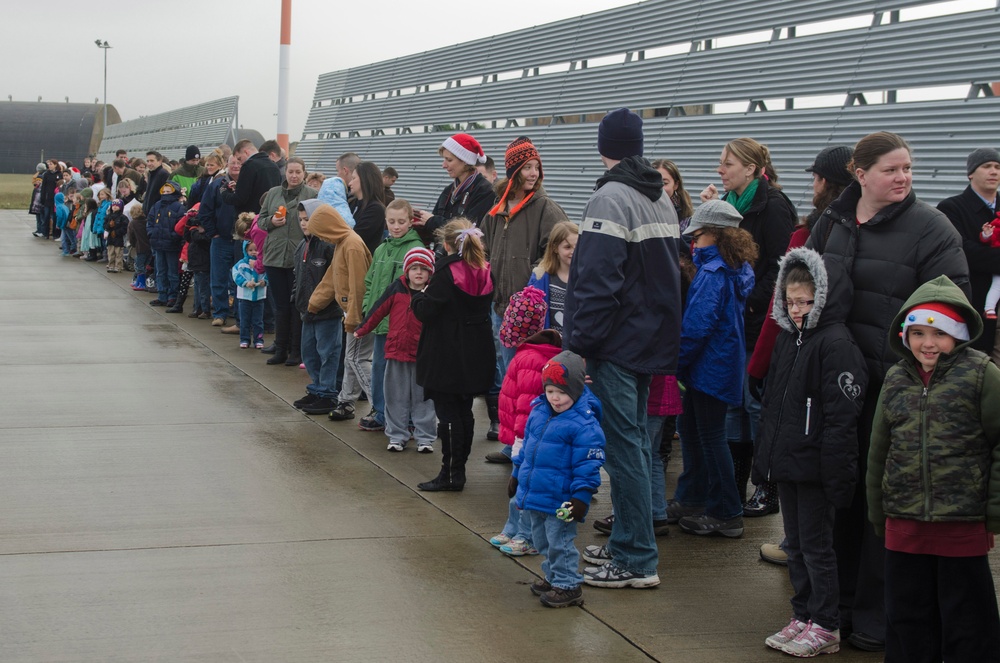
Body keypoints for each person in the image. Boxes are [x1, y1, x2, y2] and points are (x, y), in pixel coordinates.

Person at [807, 131, 970, 652]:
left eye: (907, 168)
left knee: (882, 503)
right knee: (837, 496)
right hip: (834, 388)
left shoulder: (932, 229)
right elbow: (798, 290)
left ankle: (878, 616)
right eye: (891, 169)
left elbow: (952, 311)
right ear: (860, 174)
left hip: (894, 390)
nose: (902, 178)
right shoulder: (829, 223)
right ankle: (835, 605)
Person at [565, 108, 682, 589]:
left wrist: (581, 344)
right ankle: (628, 542)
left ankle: (635, 557)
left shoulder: (610, 197)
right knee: (633, 442)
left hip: (617, 343)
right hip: (649, 340)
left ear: (603, 147)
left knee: (626, 446)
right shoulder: (659, 198)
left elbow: (596, 280)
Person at [867, 275, 1000, 663]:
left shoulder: (982, 375)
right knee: (907, 618)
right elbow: (879, 449)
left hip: (962, 523)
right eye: (920, 332)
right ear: (905, 335)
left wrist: (992, 511)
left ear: (958, 335)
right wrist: (878, 509)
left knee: (968, 621)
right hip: (903, 524)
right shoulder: (895, 378)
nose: (928, 343)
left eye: (940, 333)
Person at [754, 248, 867, 657]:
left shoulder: (836, 345)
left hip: (816, 468)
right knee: (796, 546)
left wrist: (837, 476)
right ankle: (803, 613)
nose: (797, 309)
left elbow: (841, 420)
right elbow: (773, 407)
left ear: (823, 298)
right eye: (790, 301)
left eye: (805, 301)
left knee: (818, 548)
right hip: (788, 464)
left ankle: (826, 623)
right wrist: (764, 463)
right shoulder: (788, 339)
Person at [749, 144, 856, 565]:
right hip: (846, 355)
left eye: (815, 178)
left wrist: (758, 367)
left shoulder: (812, 233)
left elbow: (780, 313)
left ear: (826, 182)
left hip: (809, 359)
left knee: (805, 456)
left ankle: (800, 546)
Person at [701, 137, 797, 517]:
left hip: (756, 321)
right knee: (733, 405)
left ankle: (767, 487)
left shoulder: (772, 206)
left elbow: (779, 266)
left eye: (727, 164)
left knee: (757, 404)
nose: (720, 169)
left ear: (752, 169)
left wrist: (748, 301)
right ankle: (737, 484)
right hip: (735, 321)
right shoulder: (730, 205)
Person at [664, 200, 756, 538]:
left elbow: (697, 327)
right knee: (692, 431)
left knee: (711, 437)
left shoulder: (714, 273)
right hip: (716, 366)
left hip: (709, 369)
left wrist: (674, 364)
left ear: (715, 235)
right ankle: (693, 497)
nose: (693, 243)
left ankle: (726, 511)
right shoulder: (733, 267)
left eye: (697, 236)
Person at [481, 137, 569, 441]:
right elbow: (484, 251)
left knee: (531, 383)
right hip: (500, 310)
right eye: (527, 167)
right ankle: (513, 443)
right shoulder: (497, 210)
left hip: (531, 316)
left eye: (536, 167)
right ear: (513, 171)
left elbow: (561, 253)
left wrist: (534, 281)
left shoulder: (547, 209)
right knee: (510, 382)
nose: (533, 173)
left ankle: (532, 442)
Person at [509, 350, 606, 608]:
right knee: (541, 540)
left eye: (562, 393)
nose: (555, 398)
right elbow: (528, 447)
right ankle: (553, 576)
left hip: (563, 499)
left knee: (560, 541)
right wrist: (517, 474)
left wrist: (581, 495)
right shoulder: (539, 411)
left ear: (575, 391)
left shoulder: (583, 424)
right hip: (538, 493)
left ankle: (567, 584)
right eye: (551, 391)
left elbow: (588, 463)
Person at [412, 219, 495, 491]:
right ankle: (457, 470)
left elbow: (427, 311)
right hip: (476, 351)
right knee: (464, 412)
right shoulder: (484, 271)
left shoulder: (446, 274)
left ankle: (449, 474)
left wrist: (418, 296)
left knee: (447, 414)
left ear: (447, 244)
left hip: (446, 352)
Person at [490, 285, 558, 554]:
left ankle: (527, 535)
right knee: (517, 485)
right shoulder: (527, 355)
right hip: (522, 436)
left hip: (527, 437)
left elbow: (526, 405)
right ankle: (513, 527)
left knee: (525, 487)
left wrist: (519, 439)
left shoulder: (530, 358)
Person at [354, 247, 438, 452]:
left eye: (424, 269)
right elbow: (378, 310)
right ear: (406, 271)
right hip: (396, 352)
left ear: (430, 273)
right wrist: (363, 329)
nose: (419, 272)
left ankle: (425, 438)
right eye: (414, 268)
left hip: (423, 355)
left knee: (424, 399)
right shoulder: (396, 289)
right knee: (395, 397)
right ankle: (396, 436)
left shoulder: (434, 293)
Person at [355, 198, 425, 432]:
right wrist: (368, 307)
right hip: (380, 323)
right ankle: (380, 411)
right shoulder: (381, 249)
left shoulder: (415, 250)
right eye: (392, 221)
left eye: (401, 222)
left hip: (403, 325)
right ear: (386, 221)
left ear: (411, 222)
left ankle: (409, 418)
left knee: (404, 373)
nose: (396, 226)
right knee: (379, 368)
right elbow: (370, 280)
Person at [938, 148, 1000, 359]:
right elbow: (963, 252)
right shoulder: (952, 208)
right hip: (973, 304)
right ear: (971, 173)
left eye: (998, 167)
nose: (993, 172)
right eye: (986, 166)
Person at [257, 157, 318, 367]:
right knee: (280, 304)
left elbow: (317, 223)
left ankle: (296, 350)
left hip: (298, 257)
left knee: (296, 305)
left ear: (304, 174)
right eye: (290, 172)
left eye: (298, 172)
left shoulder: (311, 195)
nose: (293, 176)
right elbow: (261, 220)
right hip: (274, 255)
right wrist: (272, 222)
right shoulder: (273, 193)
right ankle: (280, 348)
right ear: (286, 173)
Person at [290, 200, 343, 416]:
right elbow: (298, 276)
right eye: (301, 219)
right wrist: (297, 297)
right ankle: (317, 388)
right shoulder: (302, 246)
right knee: (309, 353)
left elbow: (336, 279)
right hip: (306, 310)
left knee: (328, 352)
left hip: (327, 311)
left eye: (308, 219)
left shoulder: (329, 245)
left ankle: (328, 393)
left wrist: (323, 302)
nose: (304, 224)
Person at [413, 133, 496, 242]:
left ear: (465, 161)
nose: (444, 165)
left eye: (449, 160)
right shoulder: (448, 191)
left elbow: (467, 232)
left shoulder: (485, 191)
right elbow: (433, 233)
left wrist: (432, 221)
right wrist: (416, 222)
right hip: (445, 255)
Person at [200, 155, 242, 326]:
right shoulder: (217, 185)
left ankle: (240, 315)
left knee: (242, 279)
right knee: (219, 279)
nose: (236, 166)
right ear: (227, 164)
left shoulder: (248, 186)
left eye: (239, 163)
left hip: (242, 241)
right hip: (221, 239)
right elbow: (204, 210)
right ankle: (220, 313)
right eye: (233, 163)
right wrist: (213, 232)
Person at [147, 181, 187, 307]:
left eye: (168, 192)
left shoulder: (178, 207)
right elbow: (150, 221)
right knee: (160, 271)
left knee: (172, 272)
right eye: (163, 192)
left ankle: (172, 295)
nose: (165, 194)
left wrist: (174, 237)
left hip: (172, 245)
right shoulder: (157, 205)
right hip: (158, 243)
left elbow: (181, 225)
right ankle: (162, 295)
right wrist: (152, 233)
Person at [221, 139, 281, 215]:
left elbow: (240, 199)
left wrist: (224, 192)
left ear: (246, 152)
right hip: (269, 217)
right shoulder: (274, 166)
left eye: (239, 159)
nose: (241, 163)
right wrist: (239, 186)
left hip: (251, 219)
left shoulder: (249, 166)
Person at [232, 239, 268, 349]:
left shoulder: (263, 263)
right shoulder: (241, 264)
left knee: (258, 321)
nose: (253, 252)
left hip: (259, 297)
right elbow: (235, 275)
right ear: (245, 251)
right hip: (244, 298)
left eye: (256, 250)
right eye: (250, 250)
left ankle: (259, 339)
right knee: (244, 320)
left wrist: (265, 281)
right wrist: (246, 283)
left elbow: (268, 274)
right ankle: (244, 339)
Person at [651, 159, 693, 234]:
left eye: (665, 183)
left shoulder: (686, 220)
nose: (659, 187)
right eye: (654, 182)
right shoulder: (641, 211)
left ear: (676, 185)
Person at [104, 199, 129, 273]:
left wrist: (117, 232)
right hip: (110, 238)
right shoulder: (108, 216)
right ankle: (111, 265)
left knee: (118, 253)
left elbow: (125, 228)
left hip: (119, 238)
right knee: (111, 252)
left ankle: (118, 266)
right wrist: (109, 225)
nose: (114, 207)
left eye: (117, 206)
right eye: (113, 205)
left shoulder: (123, 217)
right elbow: (104, 225)